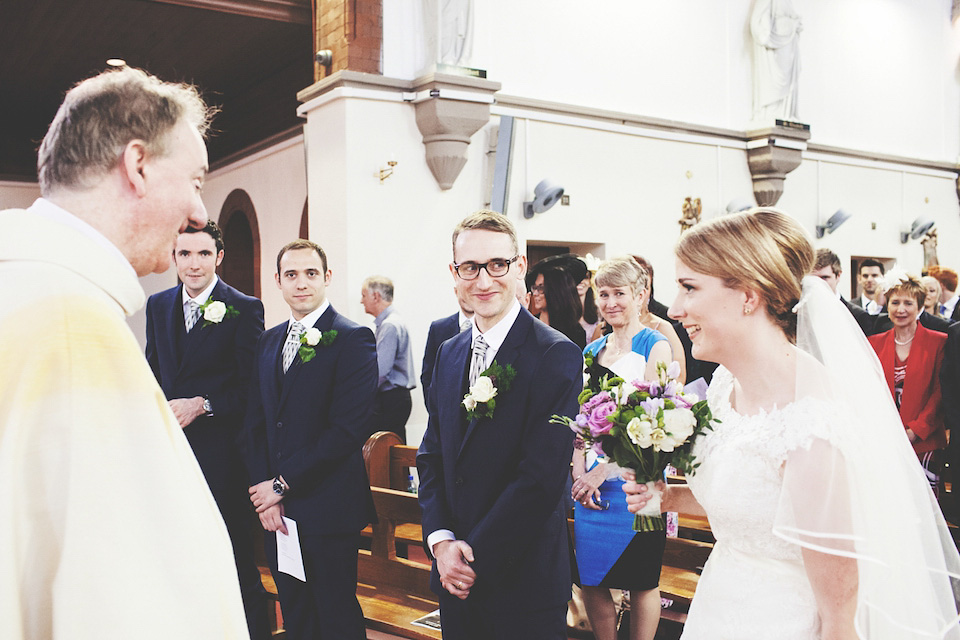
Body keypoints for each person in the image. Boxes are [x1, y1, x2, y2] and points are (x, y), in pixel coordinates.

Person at [623, 208, 960, 639]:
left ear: (748, 295)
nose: (675, 308)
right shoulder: (728, 383)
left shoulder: (810, 423)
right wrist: (669, 498)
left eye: (690, 287)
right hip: (721, 605)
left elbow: (840, 617)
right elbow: (755, 505)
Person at [0, 67, 250, 638]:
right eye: (194, 180)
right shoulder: (69, 325)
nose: (200, 214)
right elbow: (114, 599)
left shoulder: (26, 289)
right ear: (137, 166)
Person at [416, 210, 582, 639]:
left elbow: (541, 477)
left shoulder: (555, 354)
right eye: (470, 267)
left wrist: (471, 556)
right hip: (454, 574)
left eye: (498, 265)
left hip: (521, 574)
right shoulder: (448, 352)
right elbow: (432, 455)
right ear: (454, 273)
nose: (484, 280)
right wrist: (440, 543)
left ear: (520, 266)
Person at [240, 240, 378, 640]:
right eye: (292, 275)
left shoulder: (353, 338)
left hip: (328, 505)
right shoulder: (268, 341)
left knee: (335, 616)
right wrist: (263, 494)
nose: (302, 283)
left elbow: (347, 431)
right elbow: (255, 423)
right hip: (275, 509)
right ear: (279, 282)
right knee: (296, 614)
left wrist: (281, 485)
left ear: (327, 278)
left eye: (311, 273)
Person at [145, 220, 269, 640]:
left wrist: (203, 405)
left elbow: (252, 390)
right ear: (173, 257)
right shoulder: (158, 305)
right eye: (184, 254)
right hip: (172, 457)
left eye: (202, 254)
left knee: (234, 560)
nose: (193, 264)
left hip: (223, 459)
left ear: (218, 257)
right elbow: (153, 375)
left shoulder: (245, 307)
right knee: (179, 558)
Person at [571, 256, 671, 640]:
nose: (611, 302)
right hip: (590, 482)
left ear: (641, 295)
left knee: (642, 579)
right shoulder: (591, 350)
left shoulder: (655, 346)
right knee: (591, 577)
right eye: (604, 294)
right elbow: (579, 416)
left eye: (620, 294)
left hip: (638, 480)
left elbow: (655, 425)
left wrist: (603, 471)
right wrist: (579, 470)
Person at [869, 274, 948, 494]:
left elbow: (940, 394)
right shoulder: (873, 343)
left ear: (920, 306)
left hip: (925, 443)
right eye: (895, 302)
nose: (900, 309)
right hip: (885, 440)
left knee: (926, 511)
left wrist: (915, 431)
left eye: (908, 303)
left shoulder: (939, 341)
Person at [362, 275, 416, 442]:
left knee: (386, 454)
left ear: (376, 296)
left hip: (391, 399)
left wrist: (362, 393)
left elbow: (381, 371)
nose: (361, 301)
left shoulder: (389, 326)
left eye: (364, 295)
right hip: (396, 398)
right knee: (394, 451)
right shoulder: (392, 321)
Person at [421, 288, 474, 408]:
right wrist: (434, 408)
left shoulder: (488, 327)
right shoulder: (438, 328)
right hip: (446, 408)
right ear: (456, 292)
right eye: (464, 292)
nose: (467, 298)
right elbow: (428, 374)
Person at [811, 248, 876, 335]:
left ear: (838, 276)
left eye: (825, 277)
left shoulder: (858, 316)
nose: (819, 283)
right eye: (814, 278)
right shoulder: (801, 314)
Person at [533, 266, 588, 349]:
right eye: (535, 288)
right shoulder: (529, 324)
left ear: (556, 290)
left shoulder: (575, 332)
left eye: (541, 288)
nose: (535, 293)